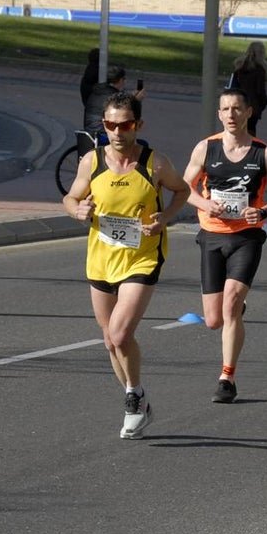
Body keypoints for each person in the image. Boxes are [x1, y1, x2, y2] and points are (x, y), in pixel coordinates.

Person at [61, 91, 190, 439]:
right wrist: (78, 211)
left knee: (120, 333)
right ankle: (139, 398)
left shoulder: (155, 163)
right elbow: (71, 197)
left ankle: (132, 396)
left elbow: (183, 190)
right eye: (110, 125)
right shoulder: (91, 161)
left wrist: (165, 218)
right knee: (109, 341)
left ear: (138, 125)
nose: (117, 132)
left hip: (142, 255)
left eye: (125, 125)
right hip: (101, 258)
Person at [183, 88, 267, 404]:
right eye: (225, 109)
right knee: (214, 319)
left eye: (237, 109)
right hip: (212, 235)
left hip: (246, 236)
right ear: (219, 114)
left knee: (229, 306)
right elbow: (183, 187)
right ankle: (234, 311)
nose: (231, 114)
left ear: (249, 112)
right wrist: (204, 203)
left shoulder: (264, 153)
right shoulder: (206, 148)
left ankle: (227, 377)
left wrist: (264, 211)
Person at [84, 63, 146, 148]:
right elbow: (127, 114)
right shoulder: (113, 97)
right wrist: (136, 101)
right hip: (103, 135)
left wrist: (131, 97)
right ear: (120, 80)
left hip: (89, 133)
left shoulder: (98, 91)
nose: (124, 82)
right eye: (124, 79)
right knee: (142, 144)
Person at [231, 41, 267, 137]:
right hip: (253, 107)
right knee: (250, 133)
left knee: (238, 131)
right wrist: (263, 104)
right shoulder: (259, 70)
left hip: (238, 104)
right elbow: (260, 92)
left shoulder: (239, 68)